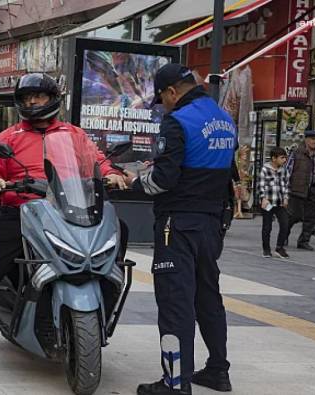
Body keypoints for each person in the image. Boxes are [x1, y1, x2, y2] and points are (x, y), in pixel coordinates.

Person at [0, 73, 128, 367]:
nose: (32, 101)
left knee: (118, 237)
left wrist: (111, 174)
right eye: (26, 98)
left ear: (53, 99)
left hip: (68, 211)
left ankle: (97, 312)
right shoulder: (9, 137)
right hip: (21, 213)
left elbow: (97, 160)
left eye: (39, 96)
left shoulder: (74, 135)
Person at [126, 64, 235, 395]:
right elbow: (225, 172)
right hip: (211, 223)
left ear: (171, 91)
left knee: (175, 302)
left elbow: (162, 181)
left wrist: (132, 181)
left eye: (163, 99)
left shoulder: (177, 122)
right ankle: (218, 371)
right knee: (208, 297)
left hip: (178, 224)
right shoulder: (224, 118)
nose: (164, 105)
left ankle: (175, 383)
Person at [286, 130, 315, 251]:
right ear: (306, 140)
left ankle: (304, 241)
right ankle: (284, 235)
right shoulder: (297, 154)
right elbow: (287, 172)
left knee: (311, 218)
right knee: (294, 216)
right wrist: (285, 189)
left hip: (314, 190)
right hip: (297, 189)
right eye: (312, 139)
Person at [258, 147, 291, 259]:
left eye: (285, 158)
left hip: (280, 202)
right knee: (267, 226)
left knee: (285, 223)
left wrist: (286, 198)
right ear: (273, 158)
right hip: (268, 202)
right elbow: (261, 185)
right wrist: (263, 198)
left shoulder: (284, 170)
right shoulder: (265, 169)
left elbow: (286, 185)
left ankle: (279, 248)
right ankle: (266, 249)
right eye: (282, 158)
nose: (284, 160)